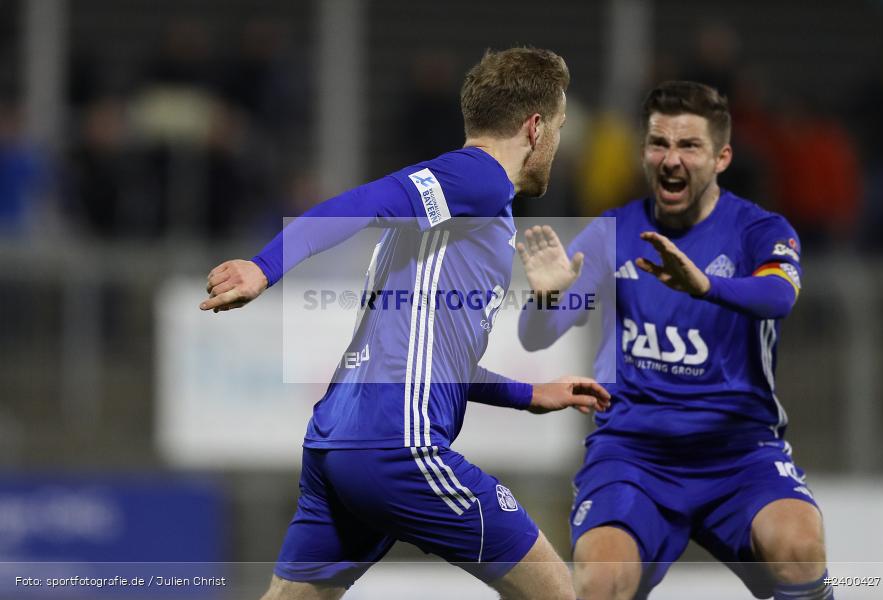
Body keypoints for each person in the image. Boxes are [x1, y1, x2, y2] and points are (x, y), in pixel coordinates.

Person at [200, 47, 610, 600]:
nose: (559, 145)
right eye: (559, 127)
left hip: (337, 444)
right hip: (397, 446)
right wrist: (263, 267)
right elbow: (365, 200)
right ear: (535, 127)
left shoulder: (457, 210)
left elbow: (431, 359)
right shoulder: (481, 178)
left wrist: (528, 392)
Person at [517, 81, 833, 600]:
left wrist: (706, 286)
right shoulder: (611, 230)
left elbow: (780, 296)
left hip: (739, 451)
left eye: (689, 146)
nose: (670, 159)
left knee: (799, 546)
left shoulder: (759, 230)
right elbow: (538, 335)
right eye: (659, 143)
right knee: (599, 580)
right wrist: (549, 299)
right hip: (634, 453)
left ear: (722, 156)